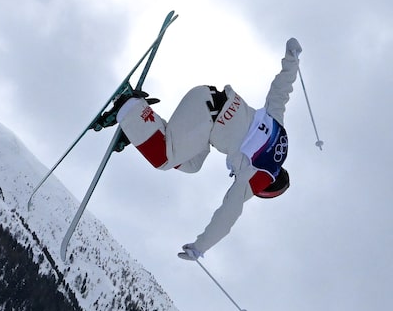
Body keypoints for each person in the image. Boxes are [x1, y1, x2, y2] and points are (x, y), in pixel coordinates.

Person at [101, 38, 302, 260]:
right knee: (163, 159)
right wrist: (199, 247)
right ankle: (128, 106)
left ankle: (140, 125)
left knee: (192, 164)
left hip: (208, 102)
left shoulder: (279, 135)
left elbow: (280, 92)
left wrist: (292, 58)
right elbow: (228, 214)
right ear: (266, 188)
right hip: (205, 114)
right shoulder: (258, 176)